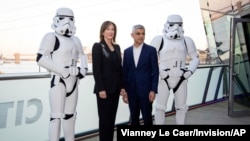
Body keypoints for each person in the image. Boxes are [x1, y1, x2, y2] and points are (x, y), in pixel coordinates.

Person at [36, 7, 88, 141]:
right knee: (56, 116)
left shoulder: (76, 40)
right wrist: (62, 70)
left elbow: (83, 56)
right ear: (57, 19)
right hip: (59, 80)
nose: (68, 22)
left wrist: (83, 70)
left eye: (71, 19)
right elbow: (41, 58)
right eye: (64, 18)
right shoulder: (51, 37)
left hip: (74, 81)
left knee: (70, 116)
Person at [150, 14, 200, 125]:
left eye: (179, 25)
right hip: (164, 78)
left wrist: (189, 72)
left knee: (181, 108)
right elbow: (150, 59)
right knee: (160, 108)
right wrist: (160, 71)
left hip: (181, 78)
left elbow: (195, 58)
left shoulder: (187, 41)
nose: (176, 28)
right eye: (172, 24)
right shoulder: (159, 40)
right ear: (167, 25)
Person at [92, 20, 126, 141]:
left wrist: (122, 87)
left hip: (115, 90)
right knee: (104, 121)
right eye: (108, 29)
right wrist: (101, 88)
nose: (111, 32)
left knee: (111, 120)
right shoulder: (97, 46)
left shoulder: (117, 47)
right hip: (104, 91)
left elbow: (120, 69)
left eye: (113, 29)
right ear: (103, 31)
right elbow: (96, 70)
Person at [122, 24, 159, 125]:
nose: (141, 36)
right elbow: (125, 72)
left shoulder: (151, 50)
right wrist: (124, 90)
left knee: (147, 119)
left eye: (143, 34)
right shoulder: (127, 52)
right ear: (132, 35)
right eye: (138, 34)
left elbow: (155, 71)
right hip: (131, 91)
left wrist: (153, 90)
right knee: (134, 119)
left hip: (146, 92)